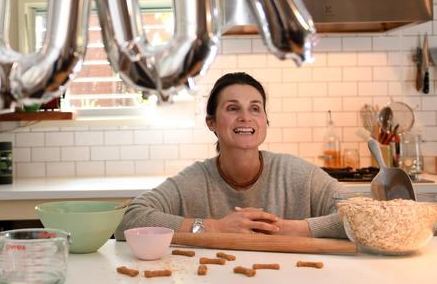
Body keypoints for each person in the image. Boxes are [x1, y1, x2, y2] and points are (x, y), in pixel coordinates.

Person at [115, 72, 345, 240]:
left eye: (255, 108)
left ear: (265, 121)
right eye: (233, 108)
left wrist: (289, 229)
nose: (246, 117)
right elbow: (128, 220)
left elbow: (362, 216)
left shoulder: (298, 175)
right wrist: (215, 228)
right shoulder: (193, 181)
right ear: (211, 122)